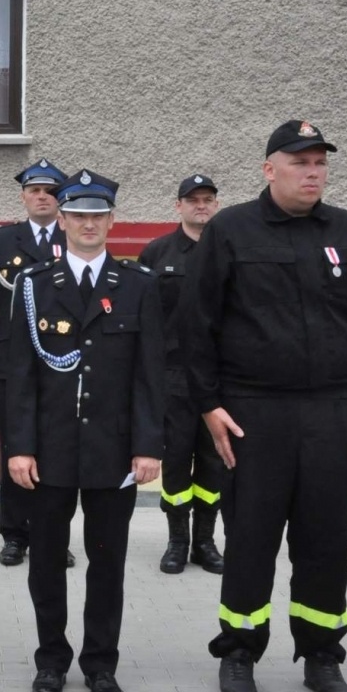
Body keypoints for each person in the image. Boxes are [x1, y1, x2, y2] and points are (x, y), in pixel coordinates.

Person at [179, 121, 347, 692]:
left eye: (320, 161)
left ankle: (322, 654)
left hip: (333, 411)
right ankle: (240, 651)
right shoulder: (230, 231)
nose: (314, 171)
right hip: (254, 412)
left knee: (325, 539)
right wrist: (209, 406)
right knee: (250, 537)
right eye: (300, 162)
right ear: (270, 169)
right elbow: (194, 327)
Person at [4, 170, 164, 692]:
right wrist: (19, 446)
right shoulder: (32, 285)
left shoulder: (138, 285)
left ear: (111, 220)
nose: (88, 223)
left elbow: (149, 375)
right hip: (48, 451)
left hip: (112, 451)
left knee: (107, 562)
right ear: (63, 220)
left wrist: (148, 446)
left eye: (98, 214)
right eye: (78, 214)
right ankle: (51, 660)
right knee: (47, 561)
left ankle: (100, 664)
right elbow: (20, 374)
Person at [0, 159, 71, 569]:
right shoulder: (1, 239)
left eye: (50, 191)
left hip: (61, 363)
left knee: (58, 451)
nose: (42, 197)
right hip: (10, 362)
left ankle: (53, 536)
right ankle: (14, 535)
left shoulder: (75, 235)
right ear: (23, 196)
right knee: (17, 448)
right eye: (34, 190)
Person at [138, 174, 224, 575]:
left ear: (216, 205)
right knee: (174, 462)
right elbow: (141, 318)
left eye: (207, 199)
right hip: (171, 376)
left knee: (213, 462)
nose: (200, 206)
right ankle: (177, 541)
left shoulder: (230, 250)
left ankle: (206, 542)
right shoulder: (157, 253)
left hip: (219, 378)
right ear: (179, 206)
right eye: (193, 200)